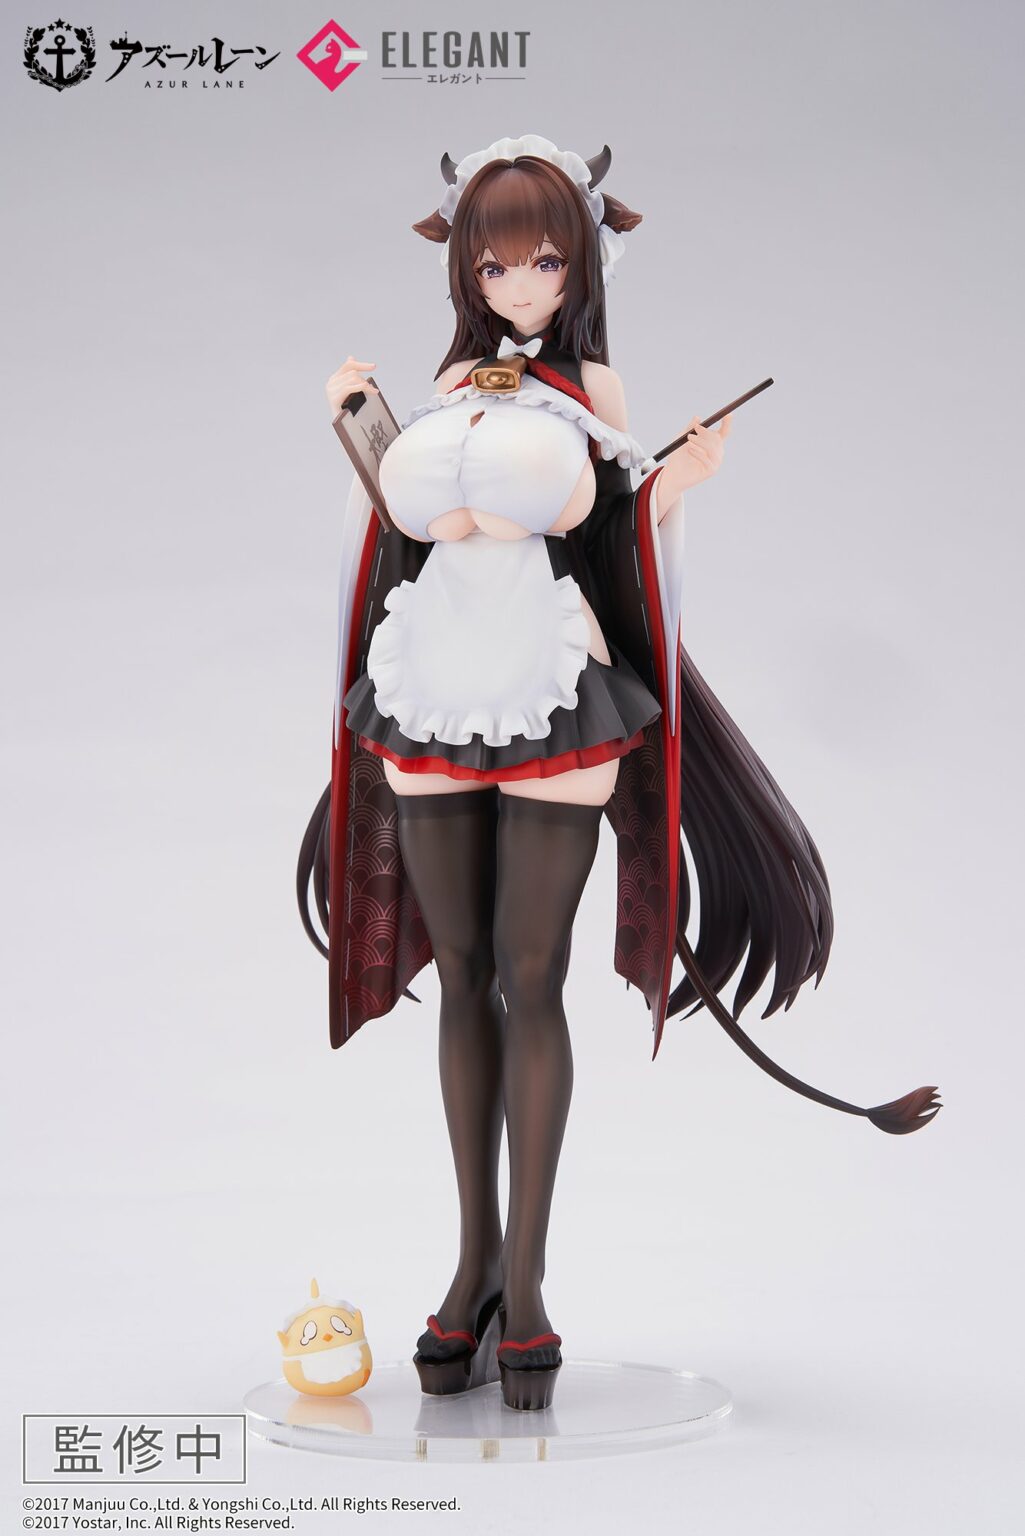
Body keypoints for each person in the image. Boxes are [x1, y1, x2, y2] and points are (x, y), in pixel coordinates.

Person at [297, 135, 939, 1412]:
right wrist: (356, 426)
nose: (519, 284)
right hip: (427, 685)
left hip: (551, 684)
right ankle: (472, 1262)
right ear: (463, 266)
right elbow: (405, 529)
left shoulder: (589, 383)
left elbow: (605, 528)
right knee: (464, 971)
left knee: (529, 976)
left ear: (580, 263)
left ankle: (526, 1283)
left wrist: (674, 485)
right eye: (495, 263)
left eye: (543, 261)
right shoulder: (445, 380)